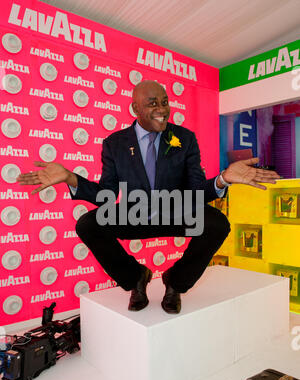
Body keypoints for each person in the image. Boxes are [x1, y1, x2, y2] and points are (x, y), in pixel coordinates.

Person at [16, 80, 280, 314]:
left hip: (175, 211)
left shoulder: (184, 138)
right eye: (153, 103)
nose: (162, 109)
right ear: (135, 109)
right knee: (88, 224)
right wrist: (71, 178)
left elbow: (197, 191)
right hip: (135, 214)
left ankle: (175, 282)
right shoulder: (115, 143)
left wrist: (222, 179)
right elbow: (105, 195)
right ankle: (136, 278)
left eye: (165, 102)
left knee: (217, 223)